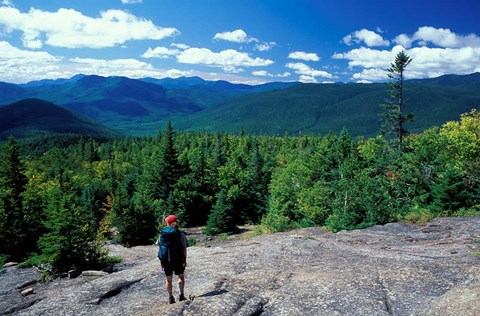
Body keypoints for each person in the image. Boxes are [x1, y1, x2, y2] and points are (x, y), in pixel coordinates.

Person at [158, 214, 188, 304]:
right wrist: (184, 259)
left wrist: (162, 260)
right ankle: (181, 295)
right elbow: (184, 248)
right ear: (174, 223)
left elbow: (159, 246)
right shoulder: (179, 234)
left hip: (165, 259)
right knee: (181, 276)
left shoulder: (162, 234)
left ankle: (170, 297)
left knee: (168, 279)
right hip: (177, 259)